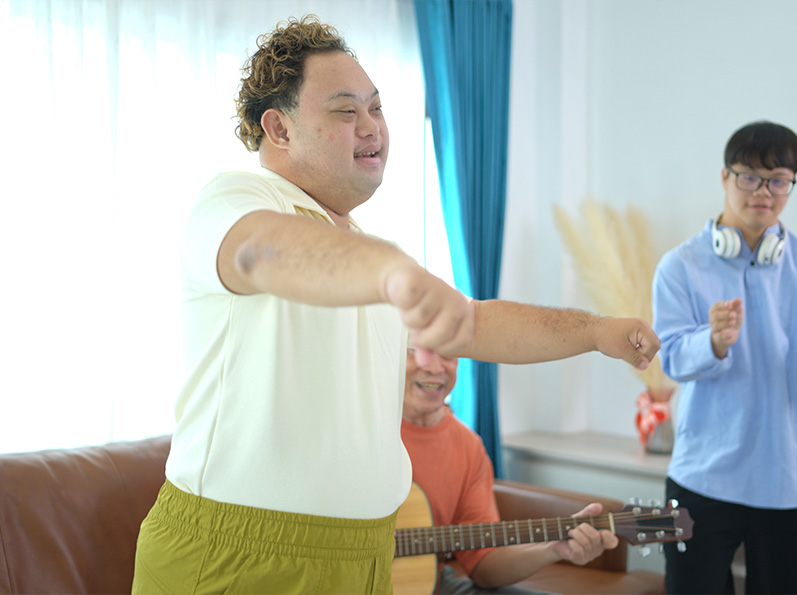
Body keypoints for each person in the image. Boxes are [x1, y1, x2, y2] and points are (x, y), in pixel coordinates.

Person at [132, 14, 659, 594]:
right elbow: (262, 252)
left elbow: (474, 322)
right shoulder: (236, 199)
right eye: (344, 110)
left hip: (363, 557)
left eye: (377, 108)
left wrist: (595, 330)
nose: (371, 126)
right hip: (241, 555)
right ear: (278, 129)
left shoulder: (365, 250)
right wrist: (391, 272)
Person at [651, 121, 797, 595]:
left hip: (785, 481)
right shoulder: (679, 266)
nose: (765, 192)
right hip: (702, 479)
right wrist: (713, 342)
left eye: (779, 179)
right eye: (749, 177)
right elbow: (671, 359)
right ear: (724, 177)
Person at [400, 349, 619, 594]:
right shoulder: (355, 429)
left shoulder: (468, 446)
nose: (435, 368)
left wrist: (554, 549)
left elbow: (483, 566)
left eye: (449, 354)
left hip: (430, 585)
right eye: (417, 352)